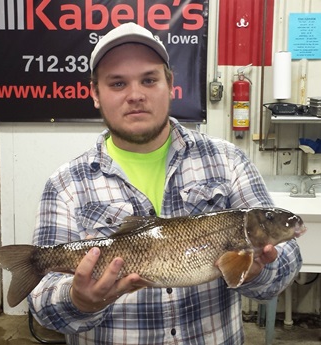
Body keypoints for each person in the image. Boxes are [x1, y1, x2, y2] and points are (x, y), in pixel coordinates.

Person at [28, 22, 302, 345]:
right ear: (95, 94)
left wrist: (257, 272)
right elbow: (42, 302)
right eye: (117, 83)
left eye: (149, 79)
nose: (135, 95)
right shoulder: (65, 185)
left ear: (169, 83)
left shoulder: (228, 161)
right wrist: (78, 301)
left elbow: (287, 264)